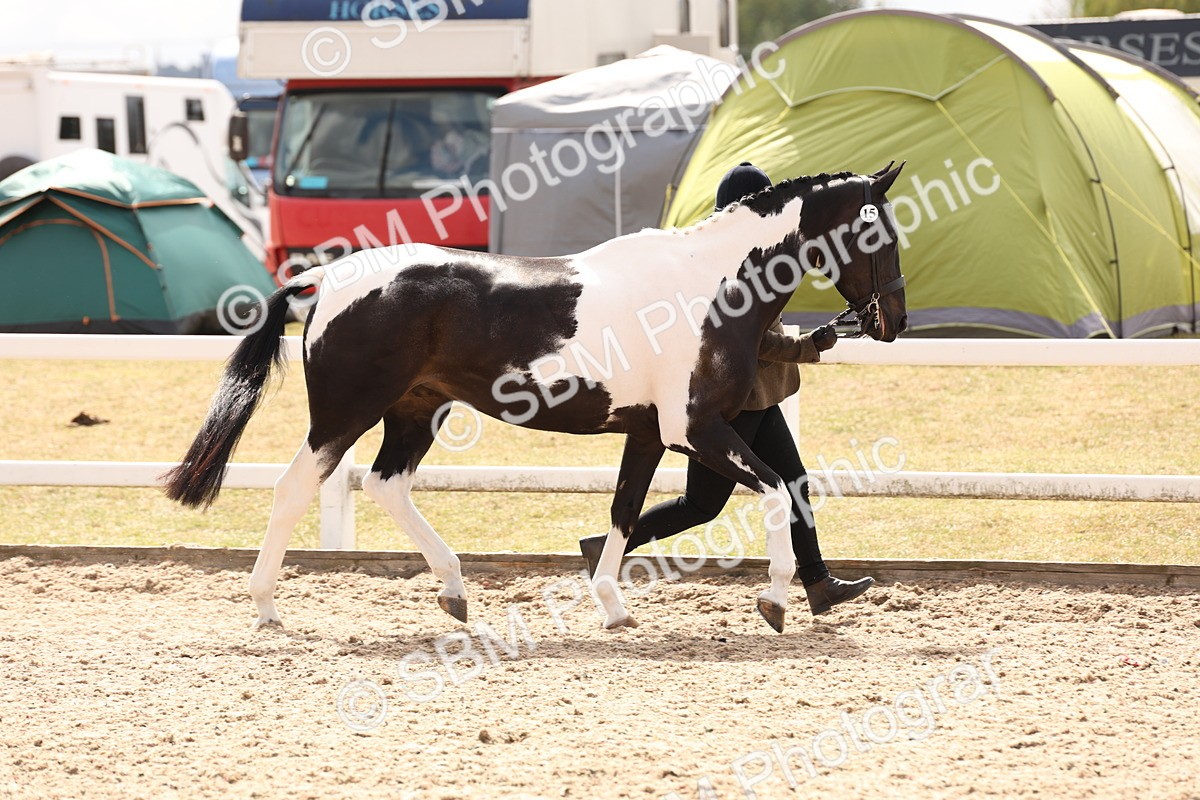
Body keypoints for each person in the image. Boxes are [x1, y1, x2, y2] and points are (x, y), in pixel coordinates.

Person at [579, 162, 874, 616]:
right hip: (739, 401)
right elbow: (753, 342)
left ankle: (817, 582)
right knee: (719, 499)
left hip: (757, 397)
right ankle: (611, 546)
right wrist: (809, 346)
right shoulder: (731, 267)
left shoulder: (748, 255)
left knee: (754, 491)